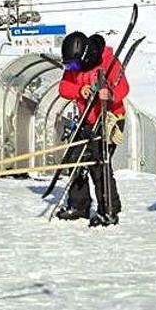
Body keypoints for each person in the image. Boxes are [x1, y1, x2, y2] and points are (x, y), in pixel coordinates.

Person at [56, 32, 129, 227]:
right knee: (75, 160)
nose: (72, 69)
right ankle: (79, 205)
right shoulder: (75, 66)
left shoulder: (109, 63)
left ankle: (109, 210)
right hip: (86, 120)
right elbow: (63, 87)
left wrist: (110, 93)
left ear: (86, 56)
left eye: (74, 65)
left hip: (109, 119)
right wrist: (79, 90)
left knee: (99, 163)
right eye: (70, 66)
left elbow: (123, 88)